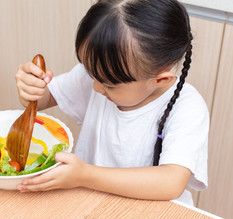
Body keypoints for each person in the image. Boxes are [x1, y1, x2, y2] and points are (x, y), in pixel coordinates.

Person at [15, 0, 209, 205]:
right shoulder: (100, 75)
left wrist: (85, 175)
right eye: (92, 75)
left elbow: (171, 182)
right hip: (89, 202)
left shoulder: (187, 107)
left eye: (109, 85)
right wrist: (31, 89)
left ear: (160, 80)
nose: (96, 88)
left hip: (153, 215)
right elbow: (45, 99)